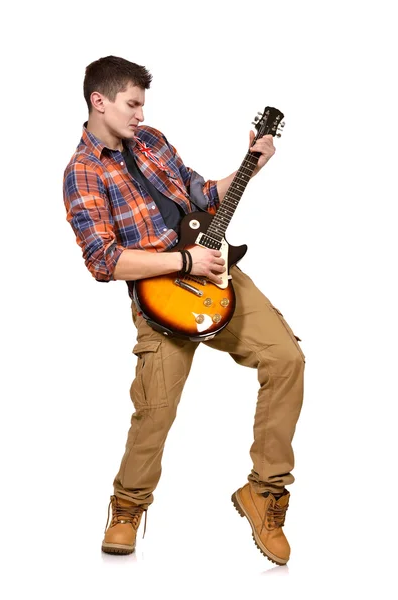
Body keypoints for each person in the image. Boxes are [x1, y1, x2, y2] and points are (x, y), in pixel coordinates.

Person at [63, 55, 305, 566]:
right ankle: (127, 507)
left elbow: (199, 194)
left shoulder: (151, 141)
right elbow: (103, 260)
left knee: (288, 359)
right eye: (132, 104)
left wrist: (247, 168)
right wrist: (183, 261)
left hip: (216, 277)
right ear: (98, 101)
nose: (140, 114)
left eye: (143, 104)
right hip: (160, 300)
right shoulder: (81, 173)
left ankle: (264, 490)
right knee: (155, 410)